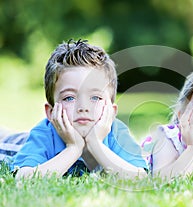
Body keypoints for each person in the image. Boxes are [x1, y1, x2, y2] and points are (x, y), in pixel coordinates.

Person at [12, 39, 148, 179]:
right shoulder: (44, 134)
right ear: (51, 112)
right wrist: (73, 148)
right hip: (13, 144)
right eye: (69, 98)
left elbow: (140, 178)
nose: (83, 107)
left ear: (112, 112)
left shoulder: (118, 133)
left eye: (95, 97)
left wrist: (95, 144)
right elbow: (23, 179)